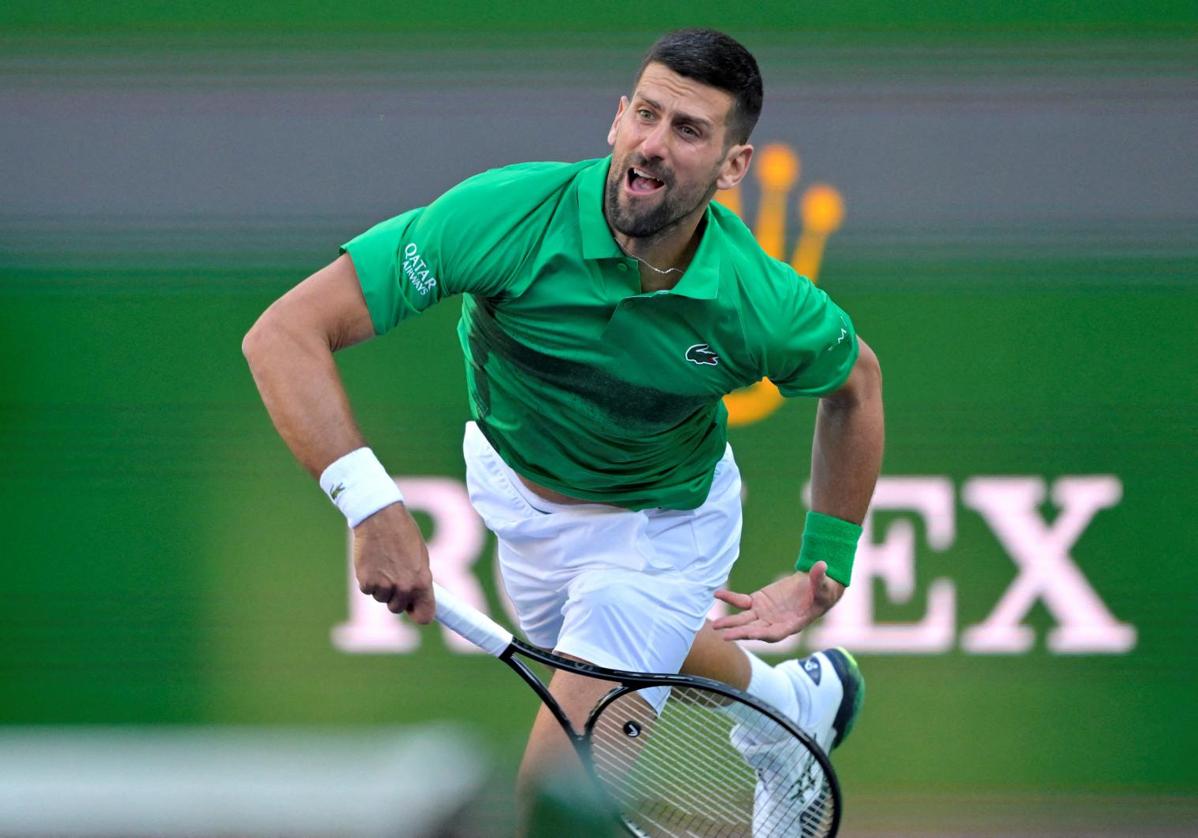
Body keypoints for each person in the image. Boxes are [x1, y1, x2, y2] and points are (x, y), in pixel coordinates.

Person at [242, 26, 883, 824]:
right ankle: (790, 705)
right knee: (630, 651)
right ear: (616, 119)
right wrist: (372, 506)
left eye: (688, 131)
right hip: (519, 502)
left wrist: (825, 561)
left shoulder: (758, 302)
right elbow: (284, 335)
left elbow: (855, 384)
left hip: (660, 530)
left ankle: (763, 708)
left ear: (732, 167)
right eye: (646, 114)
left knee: (555, 803)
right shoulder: (505, 216)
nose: (653, 145)